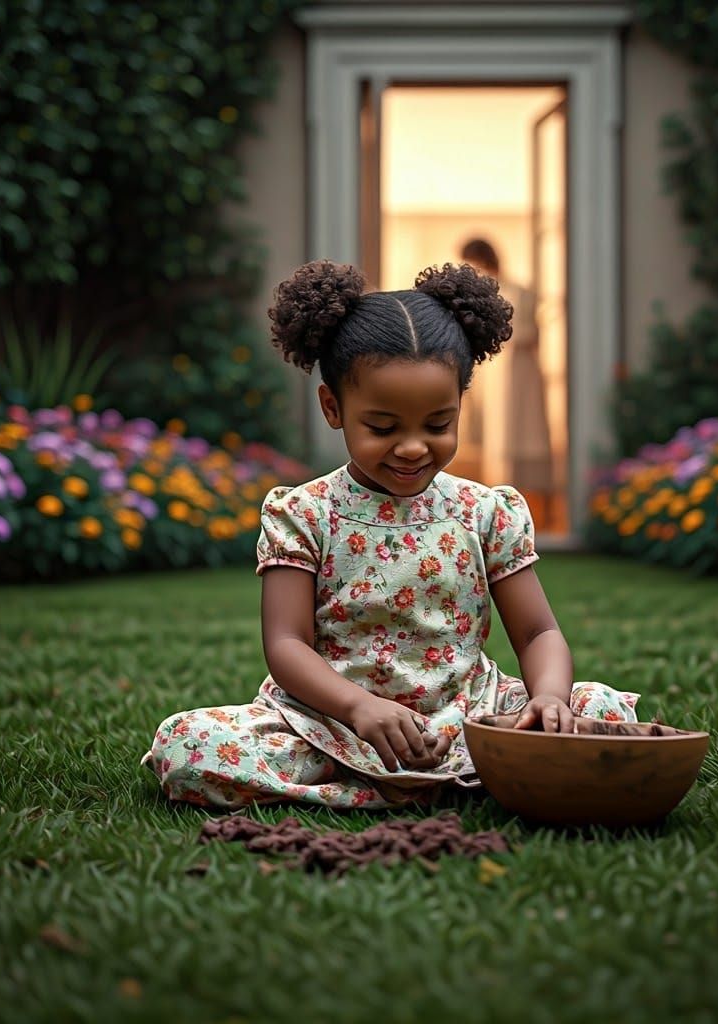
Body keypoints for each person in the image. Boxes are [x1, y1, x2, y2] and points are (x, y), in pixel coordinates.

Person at [143, 261, 637, 811]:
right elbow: (286, 644)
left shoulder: (484, 510)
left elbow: (539, 631)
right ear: (334, 408)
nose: (411, 447)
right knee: (188, 744)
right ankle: (454, 781)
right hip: (330, 724)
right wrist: (359, 708)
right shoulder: (305, 513)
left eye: (437, 424)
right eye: (382, 427)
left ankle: (410, 779)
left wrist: (547, 699)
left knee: (602, 707)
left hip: (465, 716)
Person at [459, 238, 553, 526]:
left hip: (521, 371)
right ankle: (500, 512)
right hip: (497, 373)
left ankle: (542, 511)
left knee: (528, 433)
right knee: (500, 434)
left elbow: (531, 334)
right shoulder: (481, 295)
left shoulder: (519, 292)